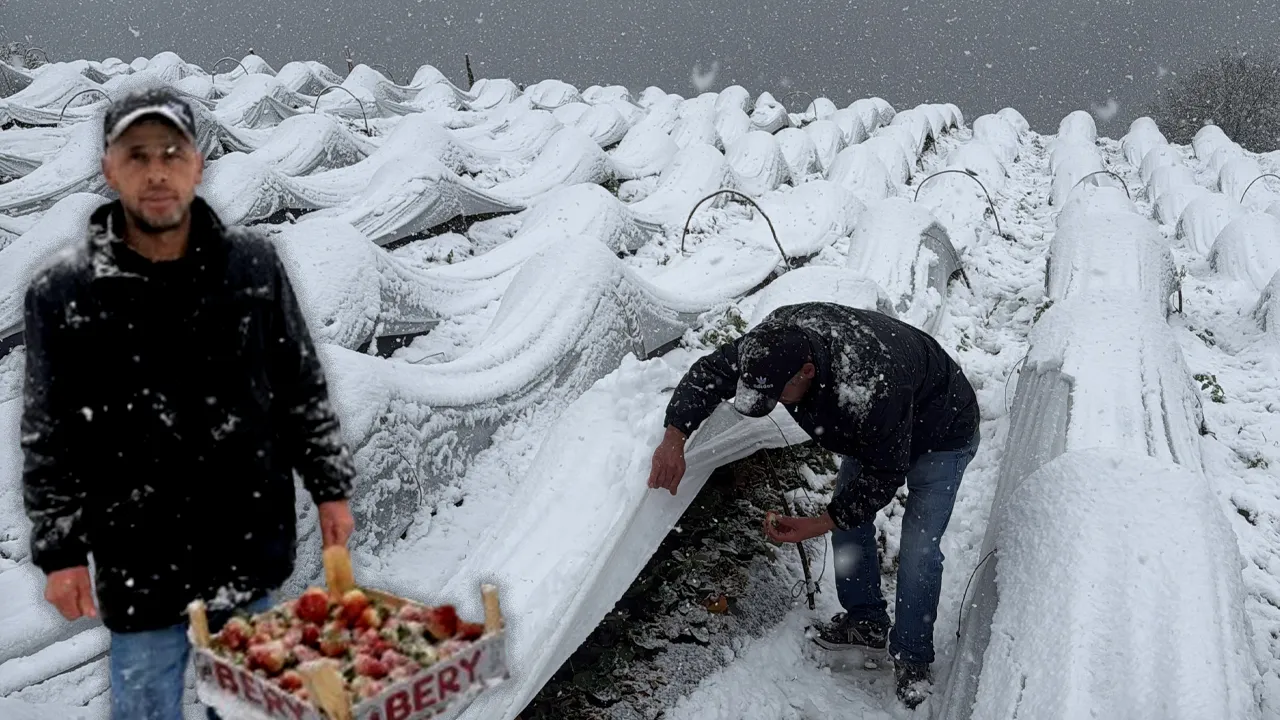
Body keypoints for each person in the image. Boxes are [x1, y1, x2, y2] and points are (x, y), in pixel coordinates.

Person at [19, 87, 358, 720]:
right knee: (147, 705)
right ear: (108, 169)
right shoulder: (64, 295)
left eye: (171, 153)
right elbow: (51, 434)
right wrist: (61, 552)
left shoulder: (252, 267)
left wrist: (330, 487)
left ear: (198, 165)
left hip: (245, 540)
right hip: (136, 554)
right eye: (136, 155)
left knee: (247, 705)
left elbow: (299, 386)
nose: (156, 173)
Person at [647, 301, 980, 709]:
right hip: (872, 427)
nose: (771, 400)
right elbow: (710, 373)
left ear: (806, 372)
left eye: (778, 395)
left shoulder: (868, 384)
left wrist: (820, 522)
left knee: (919, 549)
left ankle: (912, 657)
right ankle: (866, 622)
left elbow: (885, 474)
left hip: (942, 430)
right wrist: (674, 435)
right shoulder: (768, 347)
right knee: (848, 520)